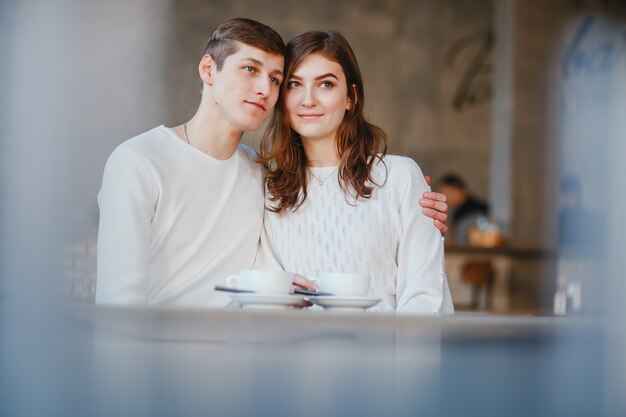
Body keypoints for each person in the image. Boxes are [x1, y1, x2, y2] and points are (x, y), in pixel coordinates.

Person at [96, 18, 449, 307]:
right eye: (250, 70)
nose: (265, 89)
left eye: (276, 80)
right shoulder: (142, 162)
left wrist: (420, 209)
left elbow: (423, 295)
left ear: (350, 98)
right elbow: (118, 302)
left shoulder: (261, 175)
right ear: (208, 69)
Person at [258, 31, 453, 314]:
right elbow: (270, 301)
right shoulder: (270, 190)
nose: (308, 99)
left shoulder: (399, 177)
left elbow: (424, 296)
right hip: (297, 353)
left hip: (385, 353)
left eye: (325, 84)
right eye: (294, 84)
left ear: (351, 97)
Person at [436, 173, 489, 244]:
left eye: (445, 193)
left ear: (456, 189)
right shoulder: (459, 213)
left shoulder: (476, 213)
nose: (444, 199)